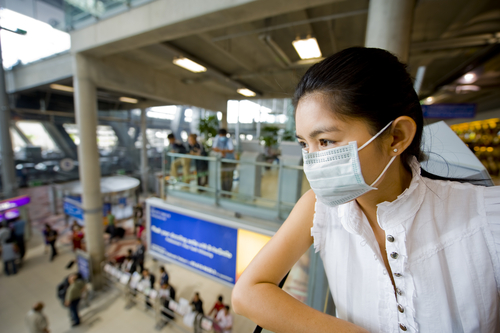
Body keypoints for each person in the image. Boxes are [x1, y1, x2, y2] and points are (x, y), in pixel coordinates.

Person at [232, 47, 500, 333]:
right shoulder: (319, 207)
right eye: (303, 144)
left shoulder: (486, 214)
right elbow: (247, 293)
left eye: (325, 141)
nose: (311, 160)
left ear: (397, 136)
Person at [211, 129, 235, 196]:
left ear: (225, 134)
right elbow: (214, 148)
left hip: (230, 161)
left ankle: (228, 193)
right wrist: (222, 151)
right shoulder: (217, 138)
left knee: (229, 177)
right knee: (223, 177)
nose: (221, 136)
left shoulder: (229, 139)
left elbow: (231, 150)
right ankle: (223, 192)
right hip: (223, 160)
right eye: (220, 135)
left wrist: (222, 151)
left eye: (222, 135)